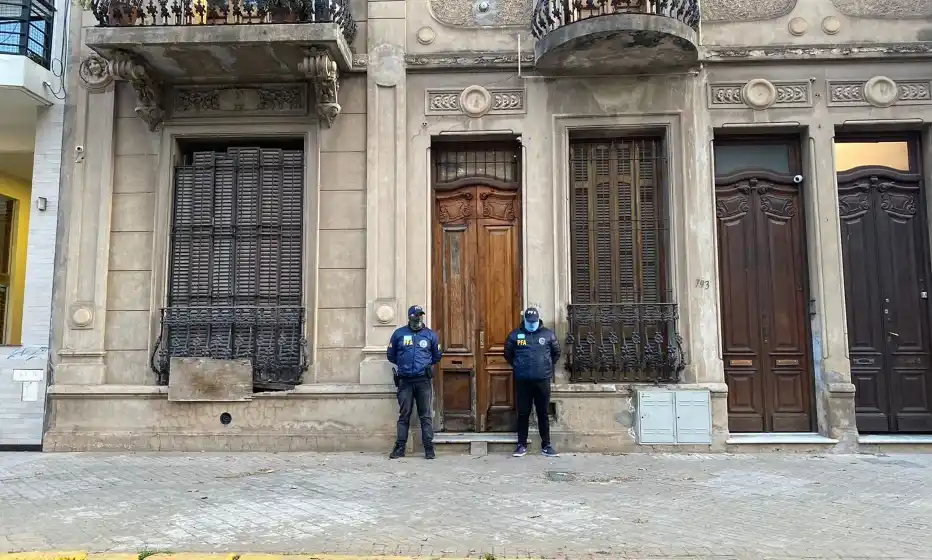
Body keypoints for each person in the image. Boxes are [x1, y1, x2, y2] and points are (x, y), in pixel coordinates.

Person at [386, 305, 442, 459]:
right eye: (416, 316)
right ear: (410, 317)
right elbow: (391, 355)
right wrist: (404, 364)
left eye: (420, 315)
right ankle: (400, 448)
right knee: (404, 415)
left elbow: (437, 356)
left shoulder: (430, 335)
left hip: (423, 381)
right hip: (405, 381)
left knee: (425, 415)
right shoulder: (399, 334)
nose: (418, 318)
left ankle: (429, 449)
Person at [504, 307, 561, 457]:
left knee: (543, 413)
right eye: (529, 322)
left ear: (538, 320)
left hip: (542, 381)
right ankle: (521, 445)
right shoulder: (515, 335)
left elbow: (556, 353)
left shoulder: (548, 335)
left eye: (534, 322)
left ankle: (546, 445)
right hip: (523, 381)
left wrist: (546, 366)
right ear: (525, 321)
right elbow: (507, 354)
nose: (532, 324)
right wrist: (518, 366)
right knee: (523, 413)